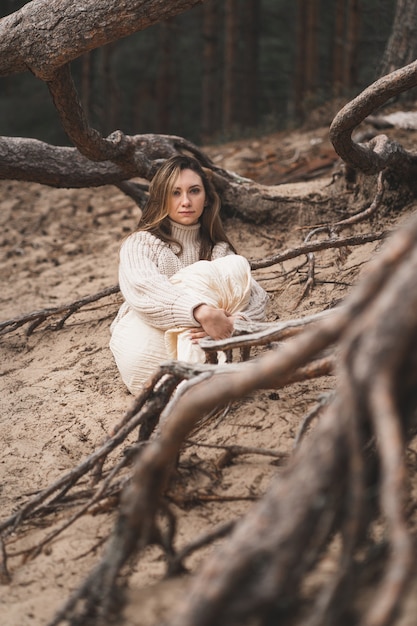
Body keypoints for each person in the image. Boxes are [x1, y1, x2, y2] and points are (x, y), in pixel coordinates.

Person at [109, 155, 268, 395]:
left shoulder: (218, 250)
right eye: (175, 193)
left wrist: (234, 323)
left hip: (206, 337)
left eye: (194, 191)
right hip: (149, 341)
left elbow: (256, 297)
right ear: (162, 198)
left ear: (206, 199)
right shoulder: (141, 243)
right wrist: (200, 312)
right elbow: (143, 287)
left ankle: (198, 379)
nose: (185, 201)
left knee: (234, 270)